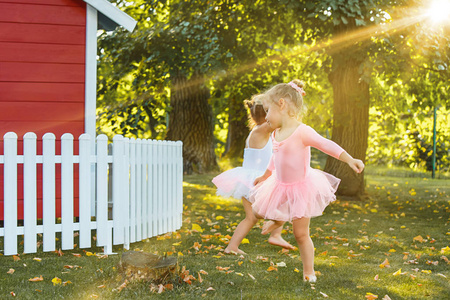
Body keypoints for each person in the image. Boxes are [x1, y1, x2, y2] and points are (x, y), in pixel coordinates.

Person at [250, 80, 365, 282]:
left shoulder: (303, 131)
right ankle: (278, 219)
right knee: (258, 211)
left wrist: (350, 159)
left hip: (301, 187)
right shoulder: (275, 133)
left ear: (282, 105)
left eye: (268, 111)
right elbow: (274, 158)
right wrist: (265, 176)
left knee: (301, 234)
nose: (266, 117)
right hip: (279, 184)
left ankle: (308, 272)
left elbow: (326, 144)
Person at [212, 94, 294, 255]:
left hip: (248, 181)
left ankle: (232, 247)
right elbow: (282, 122)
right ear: (267, 113)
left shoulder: (260, 131)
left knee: (251, 218)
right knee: (283, 203)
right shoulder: (262, 130)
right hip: (256, 181)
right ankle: (275, 233)